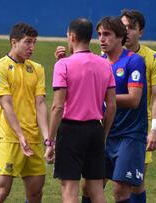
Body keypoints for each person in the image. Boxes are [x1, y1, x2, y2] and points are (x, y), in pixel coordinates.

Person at [46, 18, 116, 203]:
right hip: (95, 129)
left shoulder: (63, 65)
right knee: (96, 191)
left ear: (72, 36)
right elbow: (111, 106)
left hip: (71, 131)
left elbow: (58, 106)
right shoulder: (104, 64)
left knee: (69, 190)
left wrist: (49, 141)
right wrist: (103, 133)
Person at [82, 16, 147, 203]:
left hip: (130, 135)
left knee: (120, 190)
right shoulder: (99, 62)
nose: (102, 39)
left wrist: (100, 98)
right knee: (89, 186)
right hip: (105, 133)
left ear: (120, 37)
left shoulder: (134, 61)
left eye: (107, 34)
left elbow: (134, 99)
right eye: (100, 34)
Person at [0, 22, 49, 203]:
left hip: (34, 139)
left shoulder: (37, 69)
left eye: (34, 42)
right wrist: (20, 136)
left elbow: (40, 104)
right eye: (28, 42)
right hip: (10, 139)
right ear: (14, 42)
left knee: (36, 193)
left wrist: (46, 138)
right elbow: (6, 105)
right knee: (1, 192)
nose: (32, 47)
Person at [120, 9, 156, 203]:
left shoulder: (153, 58)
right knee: (94, 181)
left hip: (138, 129)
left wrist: (154, 130)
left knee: (135, 182)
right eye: (123, 28)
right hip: (109, 126)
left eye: (132, 28)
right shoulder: (107, 56)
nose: (127, 32)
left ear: (141, 32)